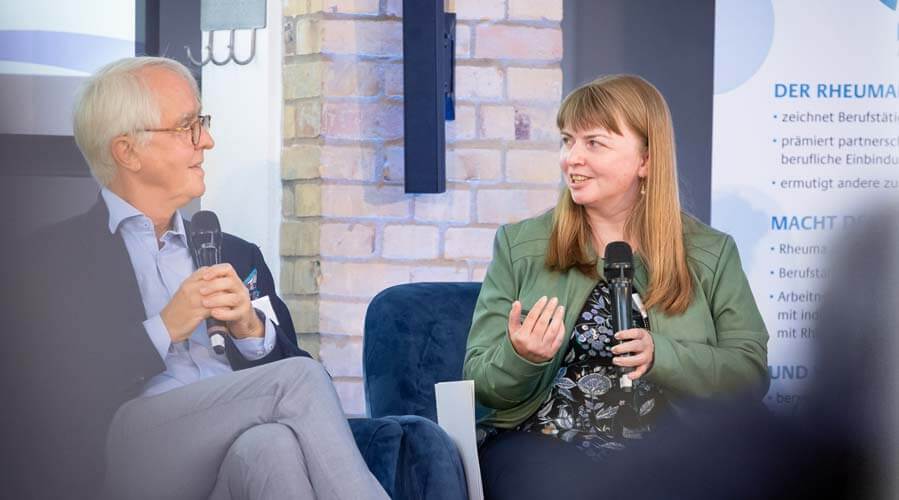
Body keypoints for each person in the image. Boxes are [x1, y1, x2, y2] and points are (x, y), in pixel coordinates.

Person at [3, 57, 387, 500]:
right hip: (130, 447)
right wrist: (164, 326)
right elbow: (56, 389)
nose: (207, 140)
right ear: (127, 151)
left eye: (201, 123)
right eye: (187, 126)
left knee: (272, 445)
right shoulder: (55, 257)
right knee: (299, 379)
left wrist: (252, 332)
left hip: (229, 443)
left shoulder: (236, 253)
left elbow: (284, 367)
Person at [463, 74, 769, 499]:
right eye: (568, 141)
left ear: (646, 159)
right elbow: (477, 380)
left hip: (668, 446)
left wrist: (664, 355)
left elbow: (749, 376)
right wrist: (522, 357)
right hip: (543, 440)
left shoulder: (711, 254)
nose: (572, 158)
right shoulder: (520, 246)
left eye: (594, 143)